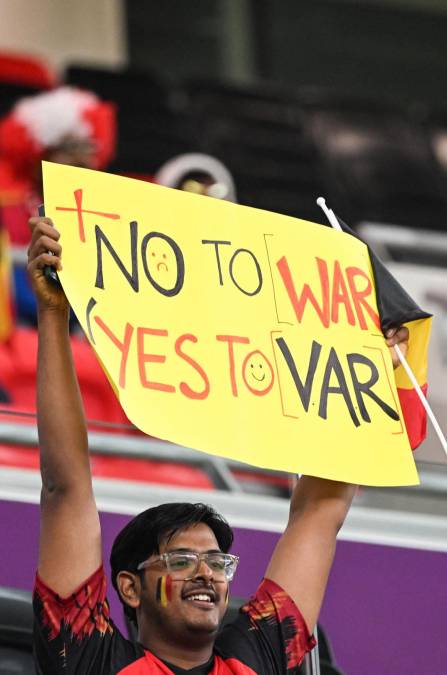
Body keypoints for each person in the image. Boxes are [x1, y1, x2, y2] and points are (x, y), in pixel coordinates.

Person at [27, 215, 409, 674]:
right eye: (182, 560)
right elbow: (65, 489)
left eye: (217, 562)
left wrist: (364, 377)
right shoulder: (91, 660)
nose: (207, 573)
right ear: (130, 589)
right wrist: (52, 315)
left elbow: (319, 515)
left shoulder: (254, 660)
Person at [0, 86, 116, 325]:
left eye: (89, 148)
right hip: (27, 323)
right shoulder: (9, 208)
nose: (82, 160)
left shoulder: (105, 212)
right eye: (70, 149)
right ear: (40, 155)